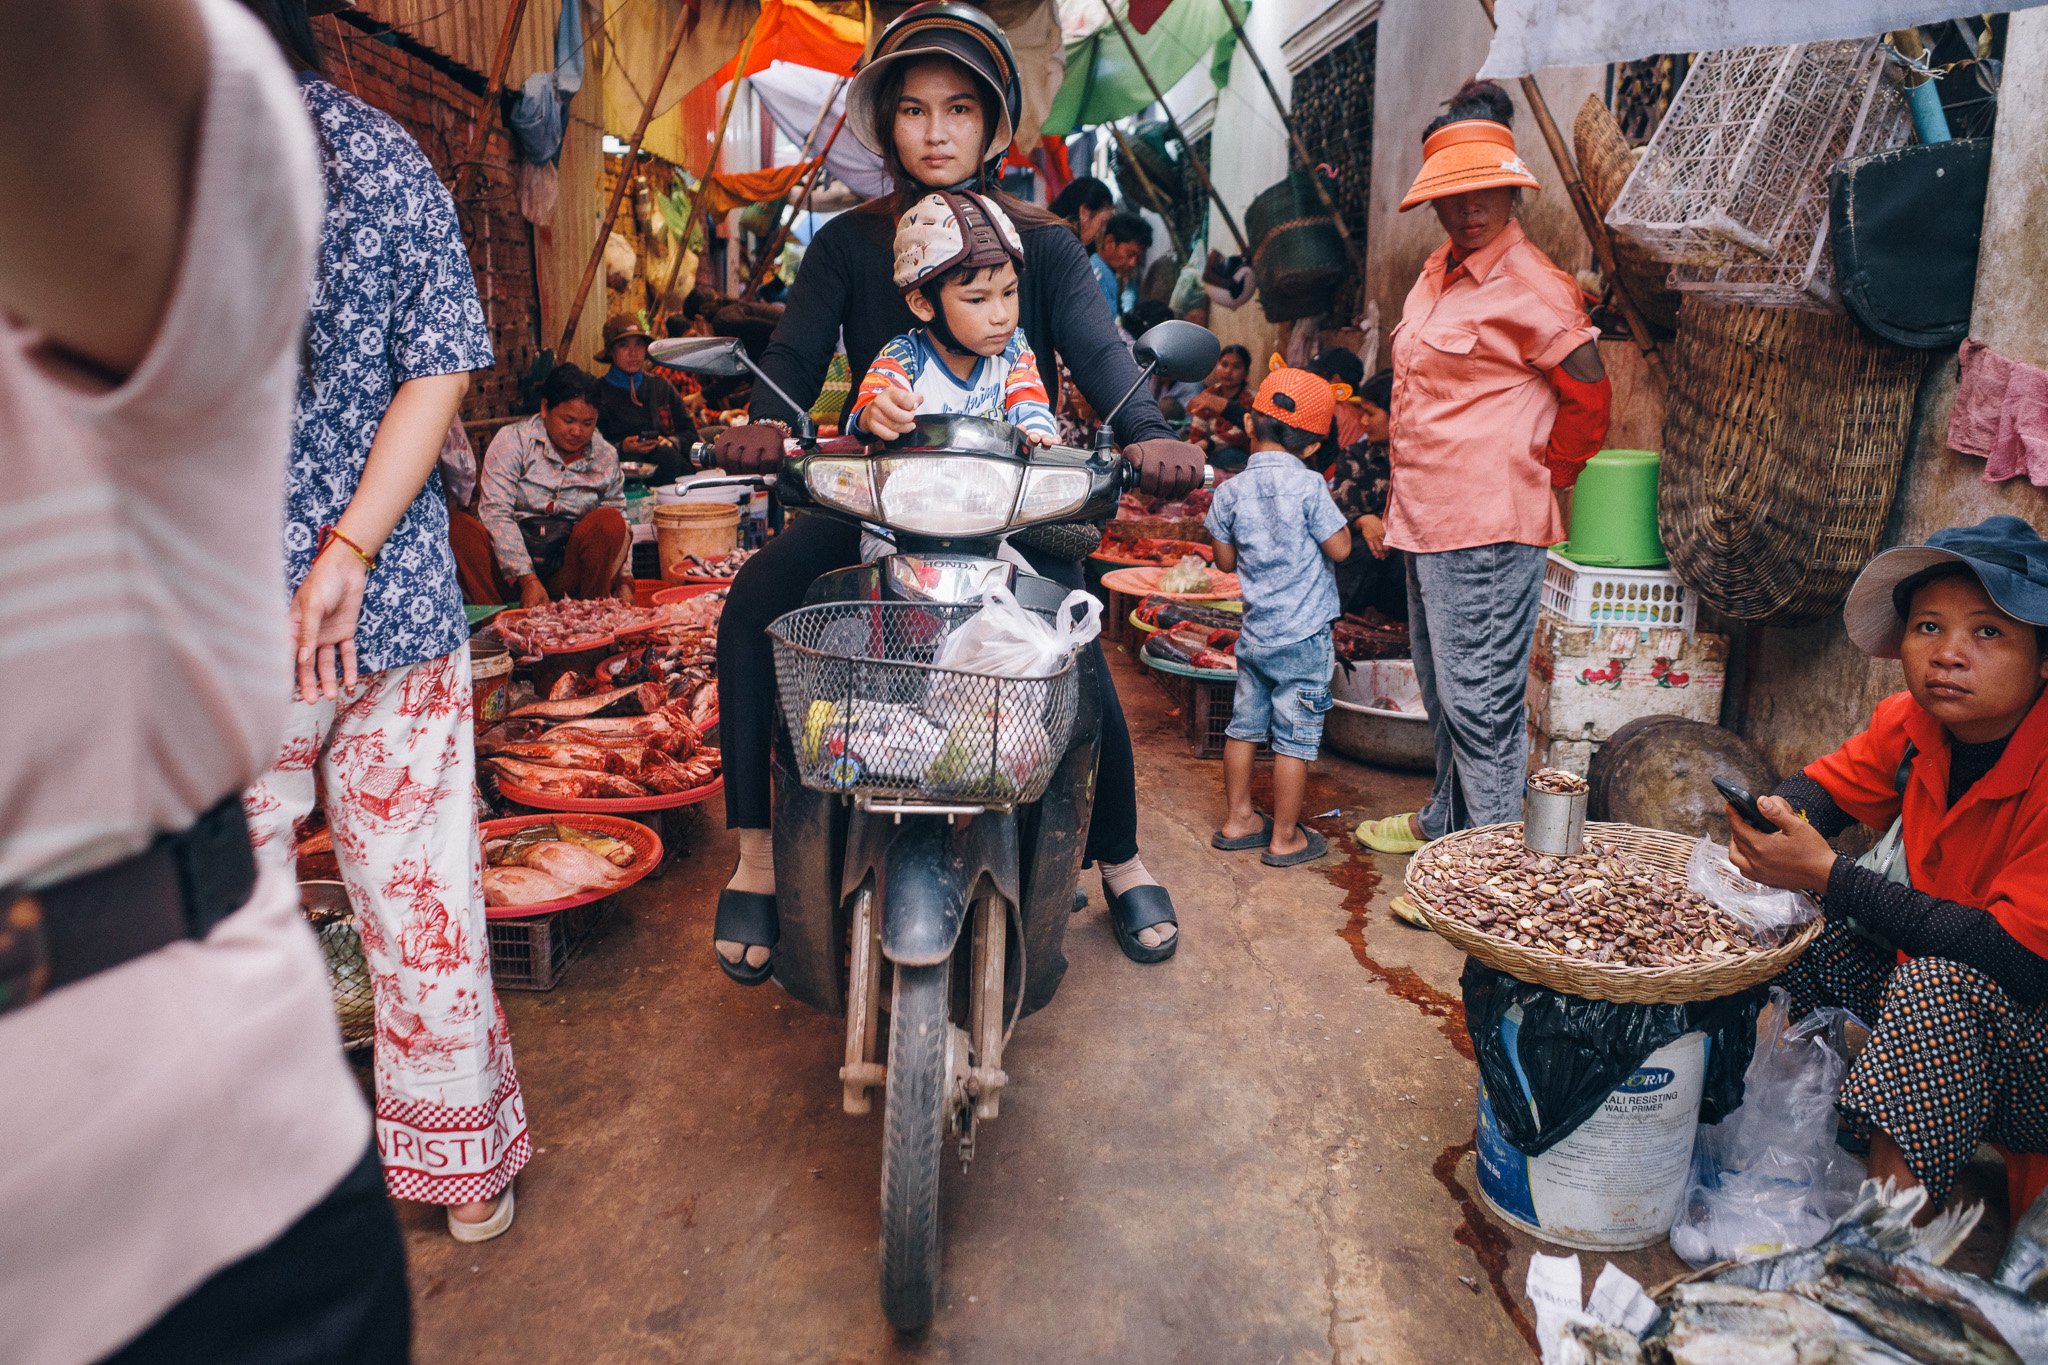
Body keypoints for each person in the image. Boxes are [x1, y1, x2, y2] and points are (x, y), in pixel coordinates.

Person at [2, 1, 408, 1359]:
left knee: (395, 901)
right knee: (404, 906)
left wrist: (350, 548)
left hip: (167, 1206)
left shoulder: (186, 124)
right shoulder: (370, 152)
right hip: (342, 606)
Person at [709, 0, 1205, 980]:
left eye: (959, 109)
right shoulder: (848, 244)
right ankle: (756, 856)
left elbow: (1101, 355)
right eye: (913, 110)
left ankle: (1119, 857)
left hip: (1013, 508)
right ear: (886, 124)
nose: (935, 133)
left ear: (992, 123)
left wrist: (1149, 432)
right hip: (880, 505)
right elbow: (794, 358)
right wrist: (765, 419)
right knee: (755, 603)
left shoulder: (1045, 243)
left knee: (1078, 654)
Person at [236, 0, 531, 1243]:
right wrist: (350, 547)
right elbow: (441, 366)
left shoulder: (133, 162)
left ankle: (264, 1198)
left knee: (226, 924)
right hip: (391, 602)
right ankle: (464, 1173)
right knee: (422, 898)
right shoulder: (379, 150)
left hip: (224, 621)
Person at [1730, 518, 2048, 1211]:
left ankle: (1883, 1245)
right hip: (1945, 1006)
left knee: (1934, 990)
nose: (1948, 655)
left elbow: (2018, 959)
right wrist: (1771, 820)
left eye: (1988, 632)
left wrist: (1830, 874)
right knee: (1796, 932)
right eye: (1929, 627)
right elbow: (1823, 791)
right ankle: (1777, 1150)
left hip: (2032, 1050)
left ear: (2043, 658)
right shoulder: (1913, 722)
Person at [1353, 80, 1611, 877]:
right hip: (1428, 517)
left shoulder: (1532, 283)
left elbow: (1590, 390)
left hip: (1488, 524)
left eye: (1484, 192)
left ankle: (1484, 874)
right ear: (1434, 200)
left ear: (1511, 190)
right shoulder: (1438, 270)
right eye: (1454, 195)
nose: (1470, 209)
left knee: (1483, 707)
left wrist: (1548, 470)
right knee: (1443, 690)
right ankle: (1445, 822)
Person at [1207, 369, 1352, 868]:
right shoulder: (1310, 486)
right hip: (1304, 635)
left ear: (1249, 423)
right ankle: (1285, 837)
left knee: (1243, 728)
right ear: (1312, 447)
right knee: (1295, 739)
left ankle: (1238, 820)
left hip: (1256, 634)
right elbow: (1340, 548)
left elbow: (1225, 562)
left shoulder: (1229, 492)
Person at [847, 190, 1057, 446]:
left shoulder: (1014, 351)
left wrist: (1037, 434)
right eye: (977, 299)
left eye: (1009, 292)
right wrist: (876, 414)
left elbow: (1032, 411)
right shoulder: (903, 360)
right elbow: (866, 415)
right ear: (923, 304)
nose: (1001, 316)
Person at [451, 364, 632, 608]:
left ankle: (591, 614)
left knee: (609, 522)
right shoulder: (513, 440)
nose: (577, 431)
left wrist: (625, 580)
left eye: (587, 423)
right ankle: (496, 621)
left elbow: (621, 519)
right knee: (458, 528)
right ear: (545, 408)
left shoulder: (605, 455)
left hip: (567, 572)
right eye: (568, 420)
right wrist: (527, 579)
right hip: (509, 573)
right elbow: (496, 511)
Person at [1321, 367, 1406, 620]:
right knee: (1360, 550)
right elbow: (1339, 505)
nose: (1364, 422)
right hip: (1364, 556)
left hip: (1402, 554)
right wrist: (1363, 520)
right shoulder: (1356, 456)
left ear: (1398, 413)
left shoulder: (1421, 460)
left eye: (1370, 414)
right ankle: (1334, 617)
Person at [595, 311, 695, 484]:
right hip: (620, 480)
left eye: (639, 344)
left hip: (668, 476)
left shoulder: (661, 386)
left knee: (665, 455)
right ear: (611, 351)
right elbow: (587, 447)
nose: (633, 353)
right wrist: (622, 447)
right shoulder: (597, 393)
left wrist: (670, 441)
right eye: (623, 345)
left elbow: (690, 432)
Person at [1188, 343, 1253, 467]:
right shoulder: (1209, 394)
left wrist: (1208, 444)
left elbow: (1240, 435)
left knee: (1224, 456)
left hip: (1235, 451)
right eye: (1224, 364)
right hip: (1207, 447)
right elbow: (1198, 426)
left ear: (1246, 372)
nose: (1228, 371)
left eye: (1236, 367)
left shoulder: (1249, 399)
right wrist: (1195, 445)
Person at [1092, 210, 1152, 318]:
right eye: (1130, 254)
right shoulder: (1094, 278)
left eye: (1138, 258)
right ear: (1110, 242)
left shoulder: (1110, 277)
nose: (1133, 263)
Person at [1049, 174, 1115, 248]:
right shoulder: (1060, 245)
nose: (1102, 233)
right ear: (1084, 213)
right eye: (1102, 223)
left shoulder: (1051, 233)